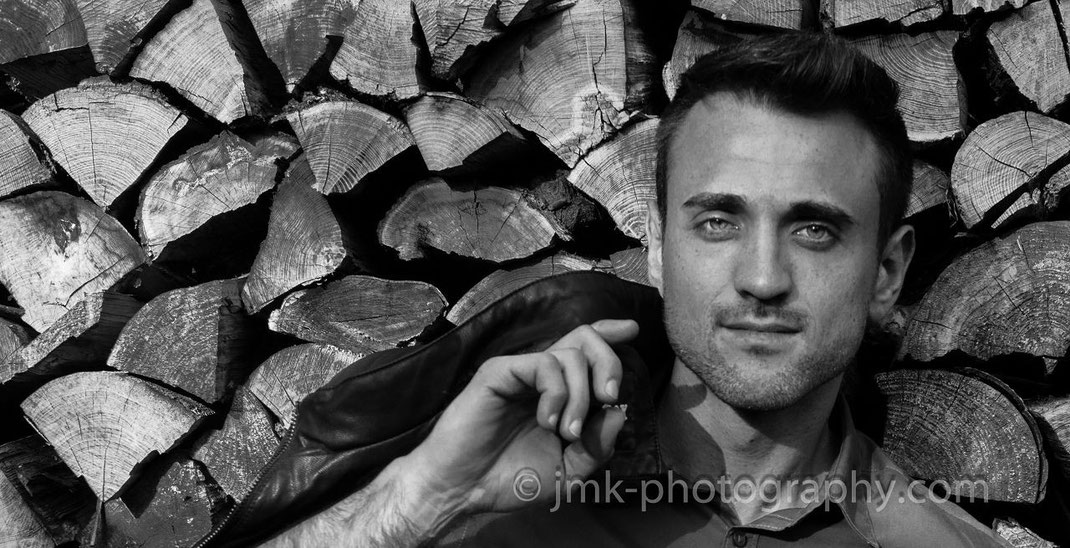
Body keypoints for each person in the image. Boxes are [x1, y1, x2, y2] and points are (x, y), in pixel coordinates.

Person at [259, 32, 1014, 547]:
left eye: (814, 230)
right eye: (719, 221)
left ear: (886, 273)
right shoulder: (482, 501)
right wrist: (422, 500)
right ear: (657, 248)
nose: (761, 280)